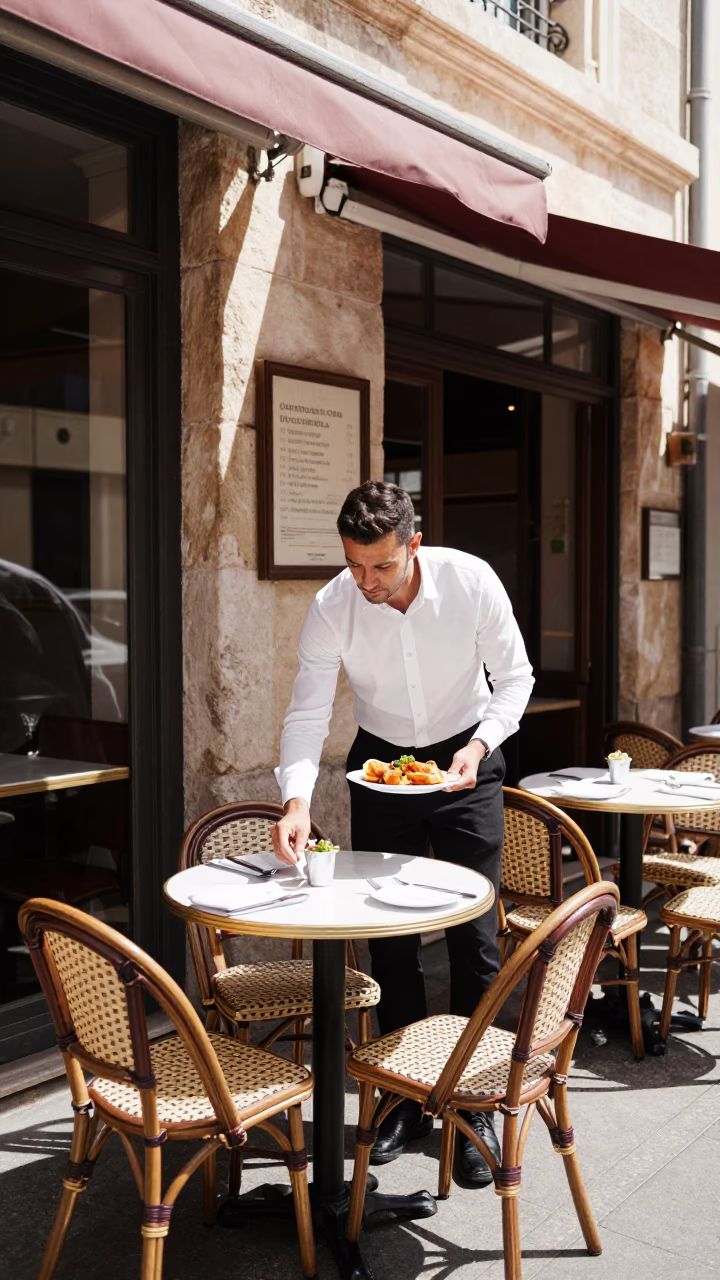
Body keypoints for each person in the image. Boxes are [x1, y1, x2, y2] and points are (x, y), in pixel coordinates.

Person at [273, 481, 534, 1186]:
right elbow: (305, 712)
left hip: (466, 764)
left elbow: (515, 679)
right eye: (356, 566)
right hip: (380, 768)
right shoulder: (334, 605)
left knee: (473, 939)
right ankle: (400, 1100)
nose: (367, 582)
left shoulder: (471, 580)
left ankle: (473, 1102)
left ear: (413, 544)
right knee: (388, 941)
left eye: (381, 567)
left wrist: (479, 748)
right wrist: (296, 801)